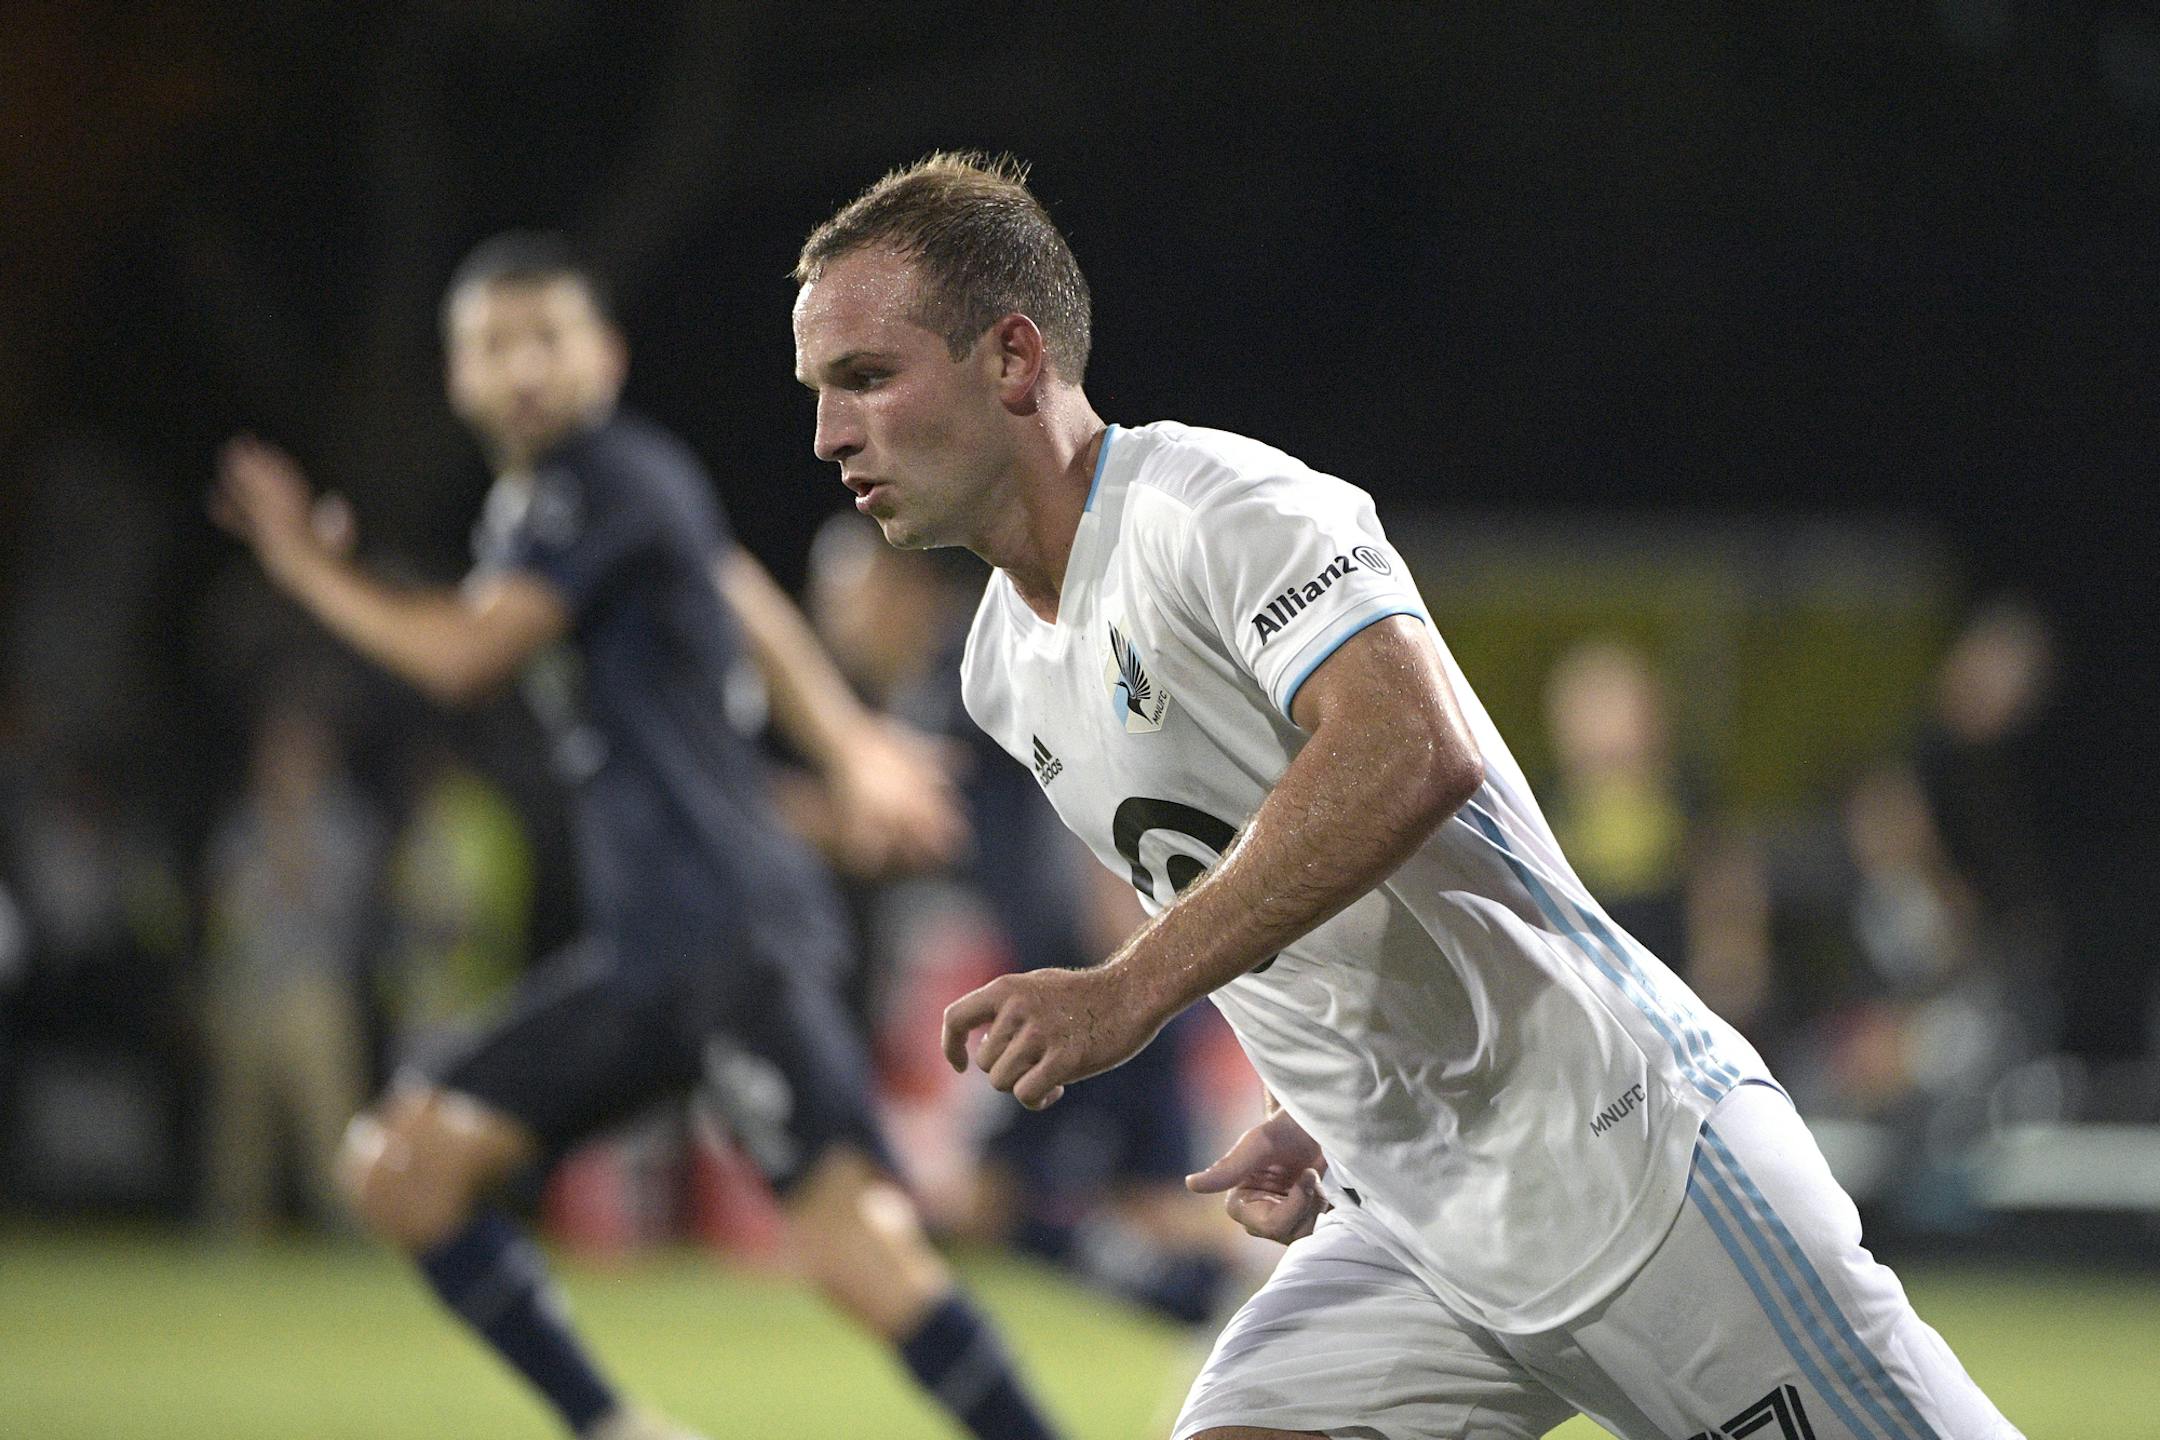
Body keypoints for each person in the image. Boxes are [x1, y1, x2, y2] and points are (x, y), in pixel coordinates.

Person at [791, 153, 2022, 1440]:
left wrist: (1128, 990)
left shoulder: (1217, 510)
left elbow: (1410, 751)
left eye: (866, 377)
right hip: (1409, 1223)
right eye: (819, 391)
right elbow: (1258, 868)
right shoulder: (1001, 665)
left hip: (1626, 1170)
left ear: (1012, 357)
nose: (828, 434)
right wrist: (1314, 1099)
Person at [212, 231, 1067, 1440]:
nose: (524, 367)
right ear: (458, 375)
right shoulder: (566, 504)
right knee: (406, 1167)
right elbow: (735, 587)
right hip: (650, 949)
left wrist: (303, 567)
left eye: (547, 338)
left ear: (604, 356)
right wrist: (846, 745)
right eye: (494, 345)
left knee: (854, 1250)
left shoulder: (604, 476)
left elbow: (466, 658)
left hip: (725, 936)